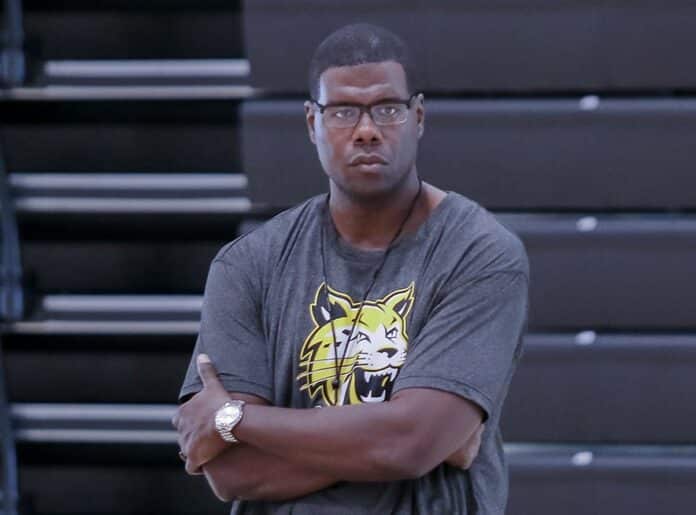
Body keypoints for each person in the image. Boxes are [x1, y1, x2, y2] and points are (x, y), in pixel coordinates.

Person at [172, 23, 529, 514]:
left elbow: (408, 444)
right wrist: (418, 442)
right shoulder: (248, 264)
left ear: (418, 116)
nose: (366, 129)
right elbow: (230, 471)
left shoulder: (479, 254)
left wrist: (235, 420)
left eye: (387, 109)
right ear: (311, 123)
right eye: (342, 111)